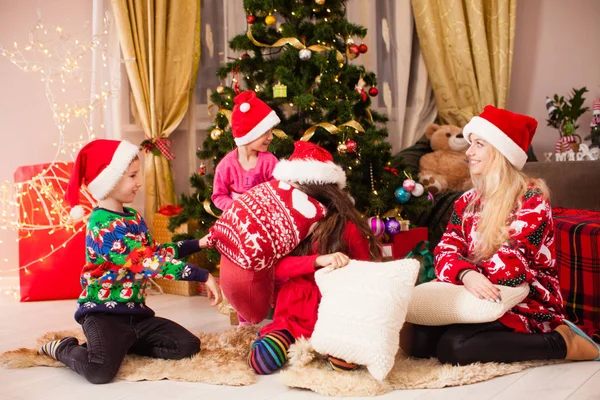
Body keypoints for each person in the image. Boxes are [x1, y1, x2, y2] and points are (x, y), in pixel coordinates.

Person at [401, 106, 600, 365]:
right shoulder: (467, 202)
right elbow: (445, 249)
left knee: (455, 348)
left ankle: (563, 342)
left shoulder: (532, 199)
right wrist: (466, 273)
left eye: (479, 144)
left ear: (501, 152)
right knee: (417, 342)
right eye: (471, 143)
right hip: (474, 295)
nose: (469, 151)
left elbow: (511, 269)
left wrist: (464, 272)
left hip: (524, 303)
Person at [38, 139, 222, 384]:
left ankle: (123, 345)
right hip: (102, 314)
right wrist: (202, 275)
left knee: (187, 345)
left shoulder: (132, 217)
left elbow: (155, 252)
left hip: (136, 314)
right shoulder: (103, 226)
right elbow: (147, 261)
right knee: (100, 372)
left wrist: (196, 244)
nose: (139, 182)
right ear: (109, 179)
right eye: (132, 176)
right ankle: (63, 348)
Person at [247, 142, 381, 375]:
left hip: (333, 312)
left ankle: (329, 346)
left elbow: (365, 272)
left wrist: (346, 269)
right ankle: (289, 341)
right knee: (262, 361)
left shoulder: (347, 226)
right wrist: (318, 260)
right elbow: (276, 268)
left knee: (345, 364)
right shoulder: (288, 224)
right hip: (293, 315)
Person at [211, 90, 280, 212]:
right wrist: (236, 207)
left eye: (271, 131)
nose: (271, 137)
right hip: (237, 217)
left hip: (264, 216)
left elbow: (279, 191)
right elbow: (218, 195)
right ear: (249, 135)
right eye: (265, 132)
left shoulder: (270, 162)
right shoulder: (226, 166)